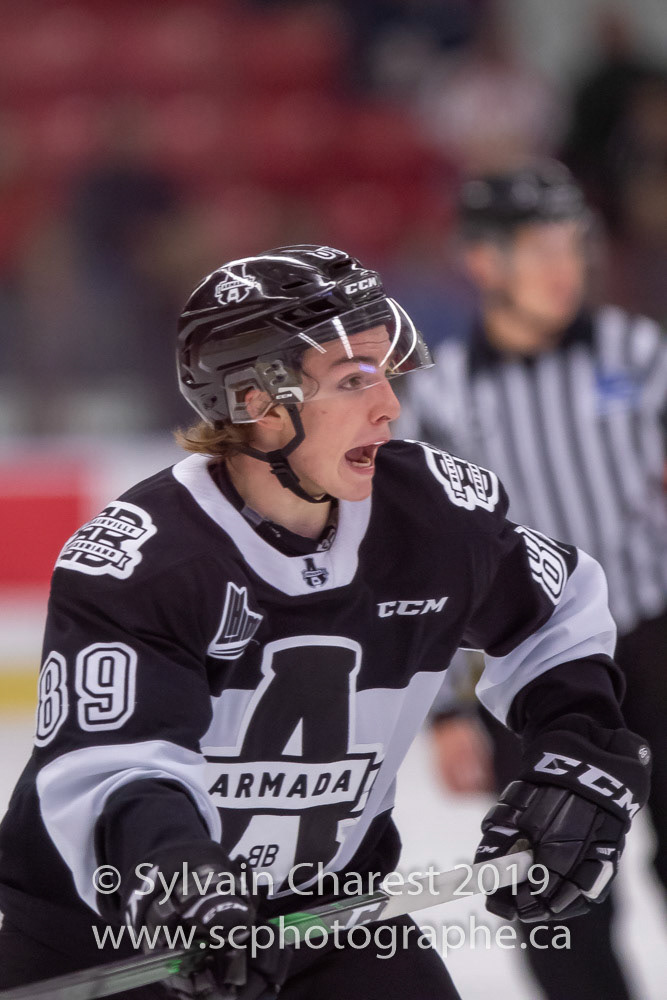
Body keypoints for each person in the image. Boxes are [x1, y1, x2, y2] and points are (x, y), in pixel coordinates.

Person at [0, 245, 651, 999]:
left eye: (385, 373)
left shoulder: (429, 515)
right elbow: (116, 767)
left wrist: (578, 750)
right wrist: (185, 889)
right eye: (352, 380)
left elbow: (560, 606)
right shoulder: (146, 561)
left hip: (332, 922)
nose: (390, 406)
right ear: (257, 403)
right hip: (114, 939)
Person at [399, 163, 667, 1000]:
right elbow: (434, 562)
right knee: (556, 879)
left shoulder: (638, 353)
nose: (565, 267)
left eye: (573, 245)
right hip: (528, 670)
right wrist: (448, 709)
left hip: (655, 640)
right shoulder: (442, 396)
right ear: (483, 261)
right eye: (540, 248)